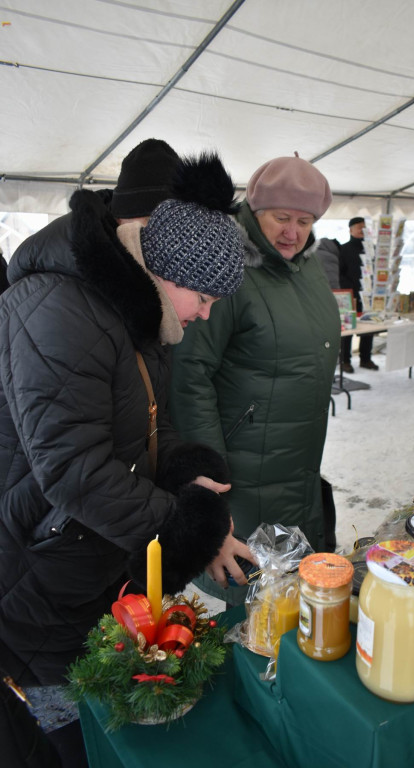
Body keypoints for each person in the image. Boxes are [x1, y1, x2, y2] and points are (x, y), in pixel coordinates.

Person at [0, 146, 252, 766]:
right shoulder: (58, 306)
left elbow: (140, 430)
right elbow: (74, 471)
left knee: (109, 726)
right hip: (39, 579)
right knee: (73, 739)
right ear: (165, 268)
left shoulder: (136, 309)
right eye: (204, 297)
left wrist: (187, 475)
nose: (205, 314)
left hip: (91, 565)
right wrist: (185, 527)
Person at [168, 153, 341, 604]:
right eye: (281, 218)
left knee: (291, 599)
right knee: (252, 602)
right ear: (254, 210)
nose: (292, 232)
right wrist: (206, 477)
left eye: (304, 221)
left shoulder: (307, 267)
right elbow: (189, 374)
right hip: (240, 474)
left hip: (298, 462)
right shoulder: (230, 266)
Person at [316, 216, 378, 372]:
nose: (362, 230)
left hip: (368, 295)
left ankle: (366, 358)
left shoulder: (372, 249)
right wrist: (348, 289)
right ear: (351, 230)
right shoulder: (343, 249)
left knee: (369, 326)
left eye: (365, 227)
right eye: (359, 227)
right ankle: (345, 360)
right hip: (350, 295)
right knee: (348, 328)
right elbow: (338, 273)